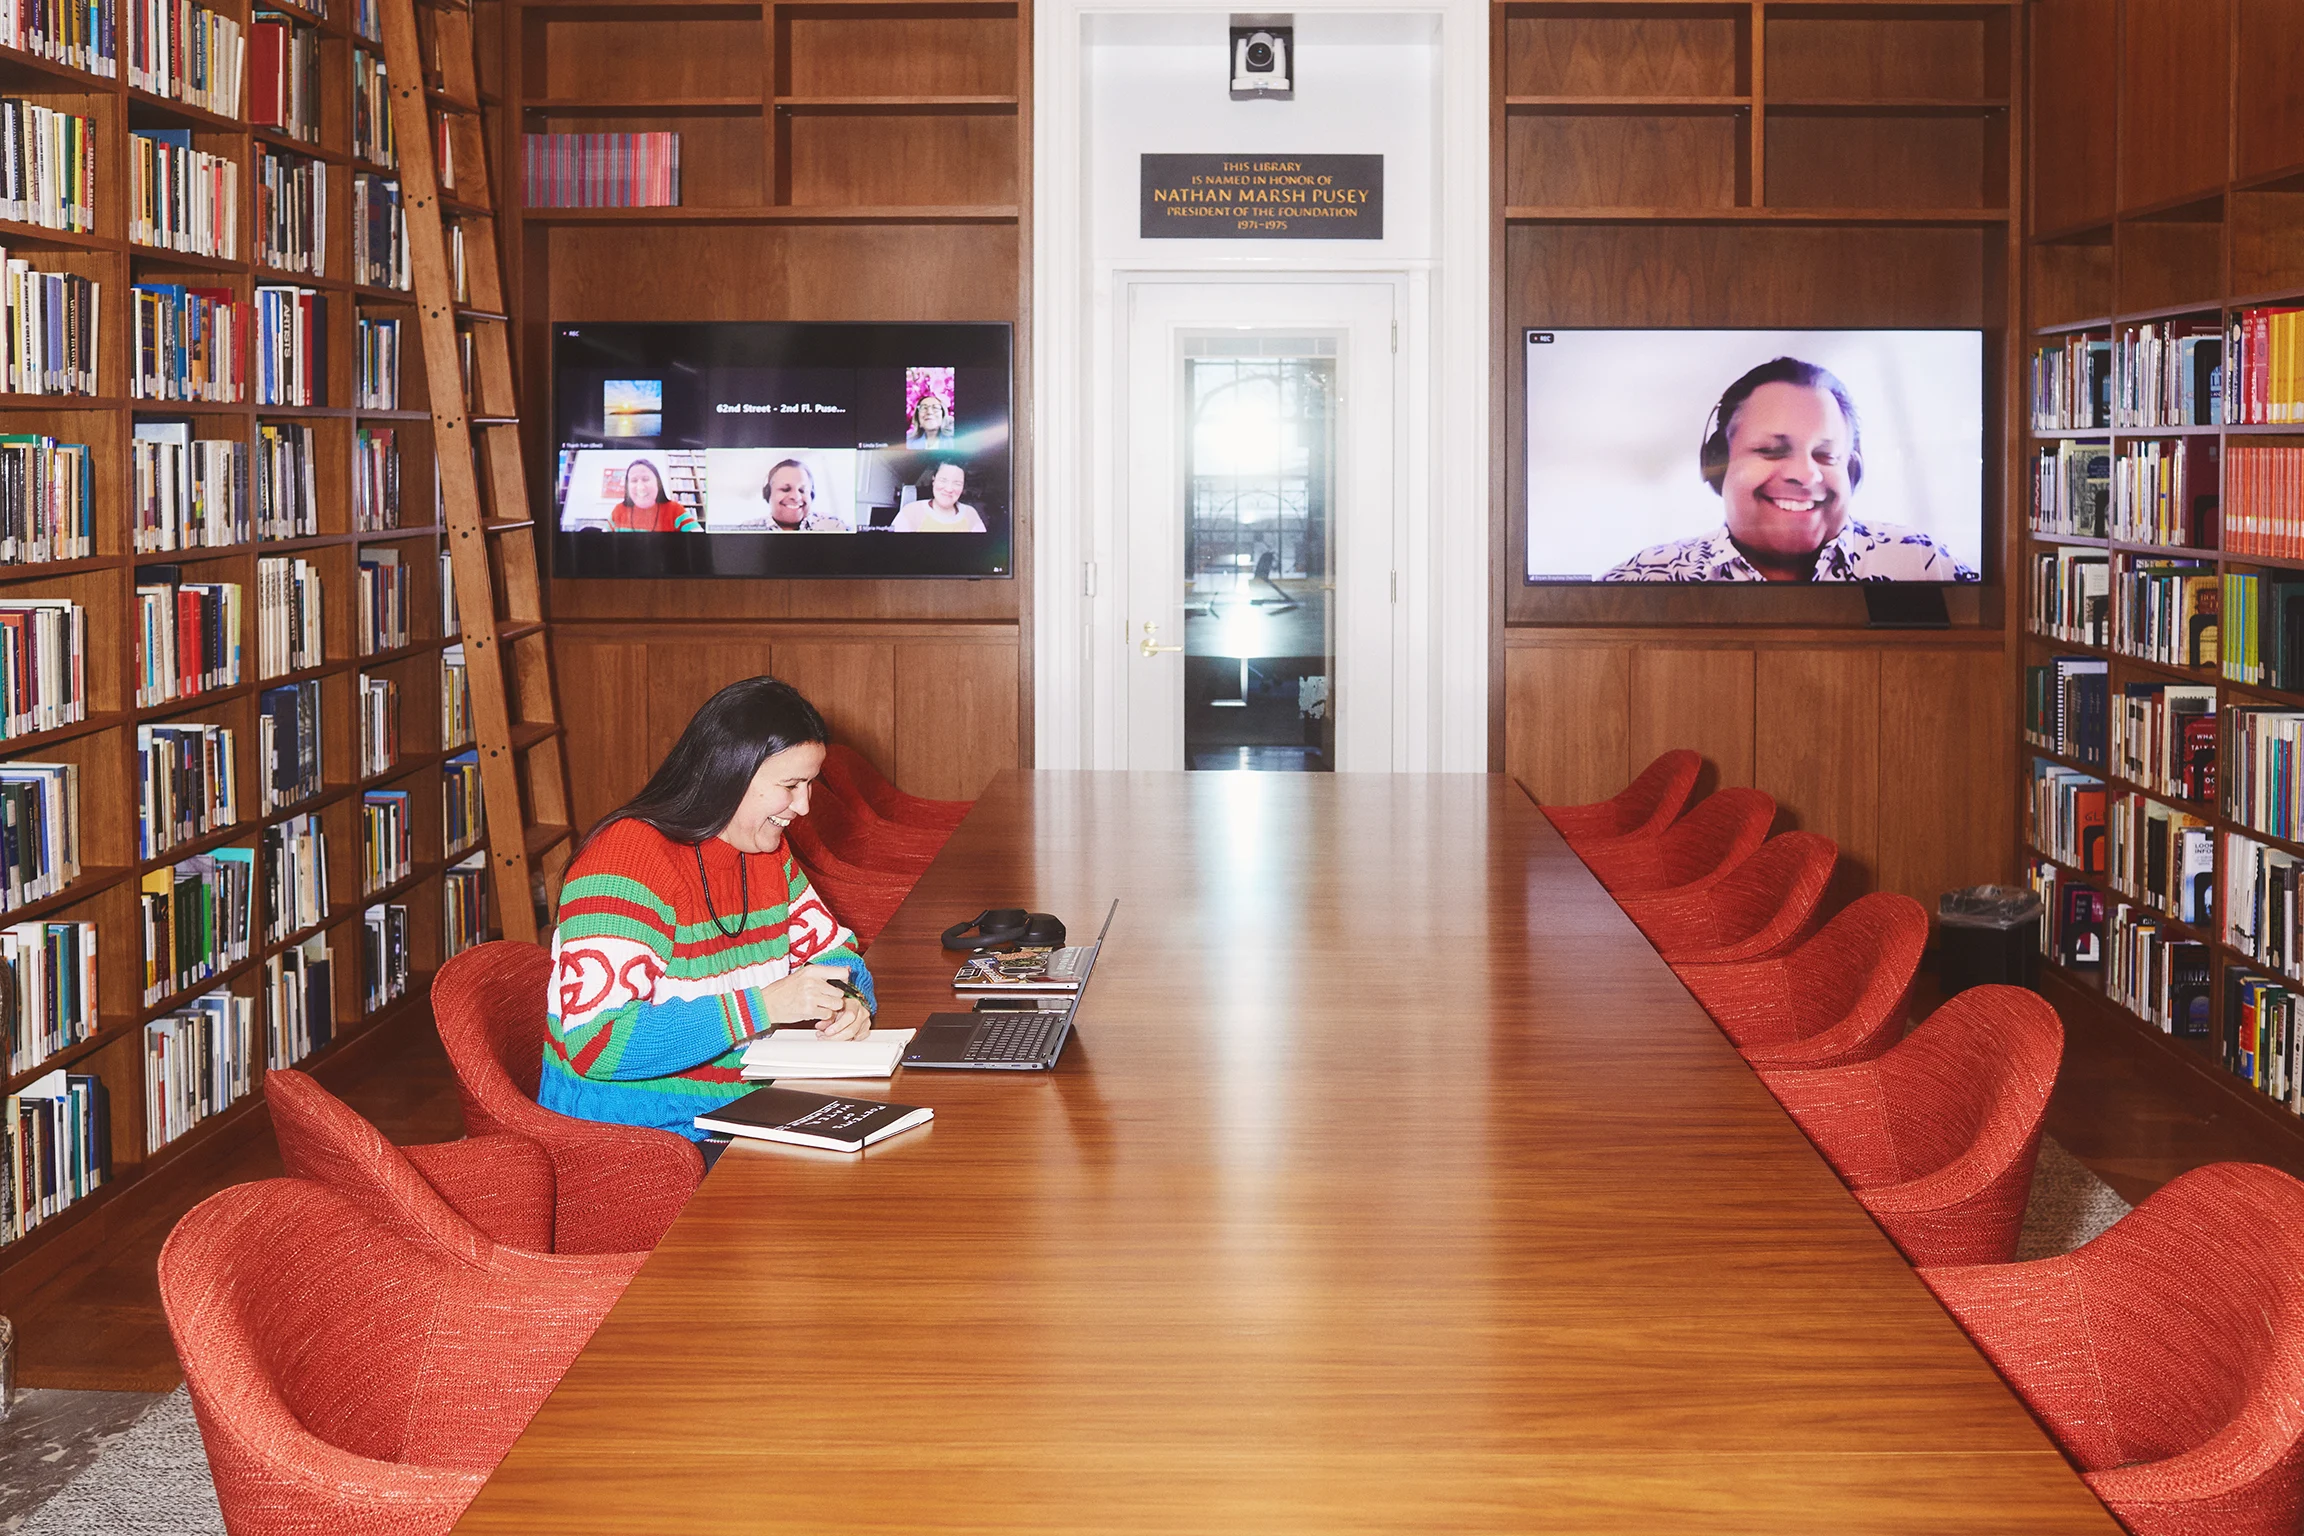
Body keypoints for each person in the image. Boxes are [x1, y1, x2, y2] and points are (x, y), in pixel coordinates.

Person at [542, 677, 875, 1146]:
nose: (803, 806)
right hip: (637, 1141)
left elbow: (835, 951)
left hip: (738, 1110)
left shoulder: (764, 849)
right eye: (791, 785)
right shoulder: (623, 866)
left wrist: (848, 1002)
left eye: (810, 784)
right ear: (729, 773)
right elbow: (597, 1043)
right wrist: (762, 1007)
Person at [1600, 357, 1977, 582]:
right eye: (1771, 450)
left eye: (1826, 456)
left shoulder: (1925, 566)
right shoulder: (1644, 579)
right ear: (1718, 464)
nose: (1805, 474)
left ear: (1853, 471)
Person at [606, 458, 701, 533]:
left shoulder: (676, 511)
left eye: (646, 479)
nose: (640, 487)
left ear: (658, 484)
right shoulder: (618, 511)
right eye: (634, 480)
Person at [890, 461, 987, 533]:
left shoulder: (970, 513)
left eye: (957, 483)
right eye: (943, 480)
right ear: (934, 480)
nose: (949, 489)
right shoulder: (910, 512)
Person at [761, 457, 846, 531]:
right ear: (768, 493)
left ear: (811, 495)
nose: (796, 497)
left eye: (802, 490)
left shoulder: (833, 526)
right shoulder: (749, 528)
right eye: (785, 489)